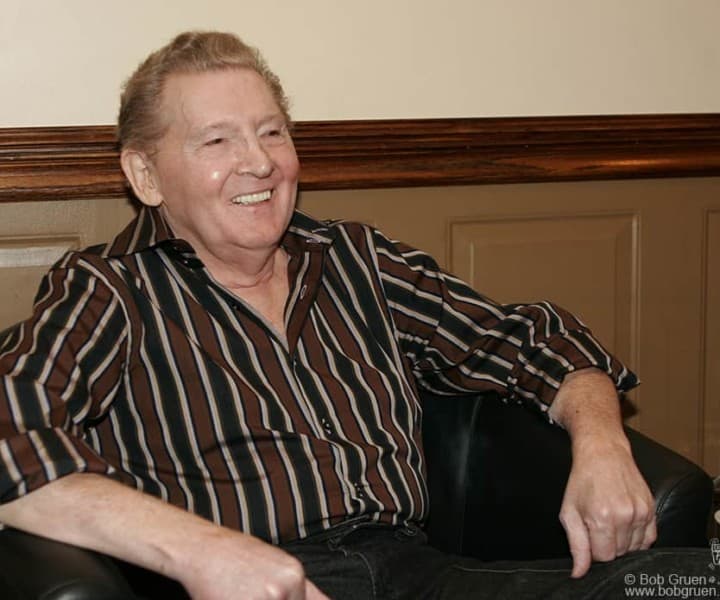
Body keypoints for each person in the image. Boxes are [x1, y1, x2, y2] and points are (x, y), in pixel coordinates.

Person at [0, 31, 707, 599]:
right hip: (259, 585)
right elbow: (9, 431)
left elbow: (528, 337)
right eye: (216, 141)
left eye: (272, 132)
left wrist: (602, 442)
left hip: (425, 575)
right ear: (145, 176)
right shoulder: (110, 289)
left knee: (688, 584)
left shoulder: (355, 259)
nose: (260, 163)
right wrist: (204, 551)